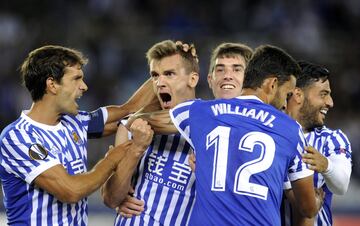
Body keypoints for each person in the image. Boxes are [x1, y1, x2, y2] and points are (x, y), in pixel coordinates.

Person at [0, 45, 154, 225]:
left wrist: (166, 66)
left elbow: (130, 111)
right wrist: (111, 161)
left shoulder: (74, 121)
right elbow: (70, 191)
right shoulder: (18, 137)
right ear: (52, 85)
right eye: (76, 79)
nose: (84, 86)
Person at [169, 45, 319, 225]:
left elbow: (148, 115)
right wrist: (316, 201)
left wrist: (177, 61)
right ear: (272, 84)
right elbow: (308, 208)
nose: (286, 104)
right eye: (286, 94)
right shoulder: (290, 129)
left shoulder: (198, 112)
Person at [101, 40, 200, 226]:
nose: (159, 82)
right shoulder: (135, 126)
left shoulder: (208, 126)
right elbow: (110, 198)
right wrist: (135, 149)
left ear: (193, 79)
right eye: (155, 75)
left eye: (170, 74)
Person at [283, 61, 352, 226]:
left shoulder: (332, 139)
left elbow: (341, 185)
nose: (330, 102)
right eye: (323, 94)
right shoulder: (269, 134)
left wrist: (326, 165)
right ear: (298, 94)